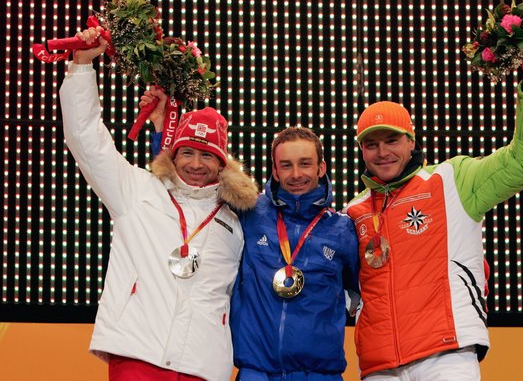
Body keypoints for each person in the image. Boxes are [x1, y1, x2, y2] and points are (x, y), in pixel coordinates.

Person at [59, 26, 257, 381]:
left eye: (207, 156)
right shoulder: (137, 190)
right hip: (138, 354)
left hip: (203, 363)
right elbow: (86, 138)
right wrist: (82, 66)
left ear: (223, 164)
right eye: (188, 153)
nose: (196, 164)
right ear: (174, 154)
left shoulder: (239, 220)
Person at [342, 52, 523, 380]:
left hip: (446, 355)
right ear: (361, 150)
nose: (382, 152)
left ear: (411, 142)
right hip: (379, 364)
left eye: (392, 141)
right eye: (371, 144)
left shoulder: (452, 180)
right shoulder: (352, 212)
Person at [230, 126, 360, 380]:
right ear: (275, 171)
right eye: (286, 165)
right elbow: (190, 196)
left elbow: (371, 292)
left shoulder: (343, 229)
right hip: (257, 372)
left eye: (305, 164)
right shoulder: (250, 213)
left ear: (321, 168)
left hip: (321, 374)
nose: (296, 174)